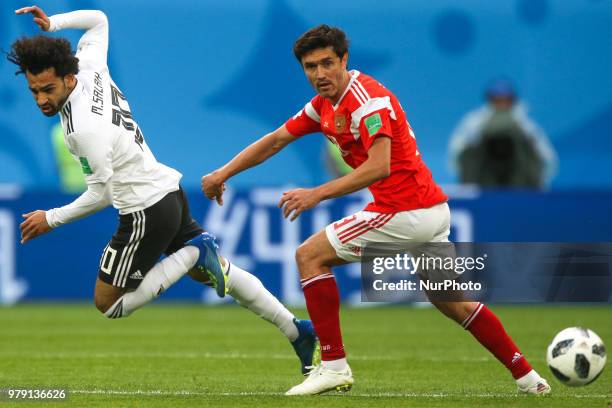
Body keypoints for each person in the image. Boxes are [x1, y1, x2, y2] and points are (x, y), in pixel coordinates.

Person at [202, 25, 551, 395]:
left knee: (309, 256)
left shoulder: (368, 100)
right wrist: (224, 173)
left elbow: (379, 166)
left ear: (344, 60)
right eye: (310, 67)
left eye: (327, 63)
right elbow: (275, 141)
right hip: (430, 212)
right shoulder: (323, 106)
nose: (319, 74)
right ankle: (530, 378)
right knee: (455, 303)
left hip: (404, 210)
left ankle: (334, 365)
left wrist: (317, 193)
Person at [9, 6, 318, 376]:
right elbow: (99, 20)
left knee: (109, 303)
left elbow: (101, 194)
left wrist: (51, 218)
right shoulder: (88, 65)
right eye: (34, 91)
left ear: (69, 79)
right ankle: (297, 330)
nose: (41, 98)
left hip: (144, 212)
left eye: (48, 89)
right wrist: (53, 24)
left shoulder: (81, 130)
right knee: (219, 274)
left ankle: (193, 254)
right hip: (166, 193)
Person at [449, 78, 557, 188]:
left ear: (513, 100)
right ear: (489, 99)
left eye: (506, 100)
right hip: (483, 184)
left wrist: (540, 186)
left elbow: (546, 158)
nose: (502, 104)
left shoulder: (526, 126)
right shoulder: (474, 123)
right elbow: (457, 154)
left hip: (519, 187)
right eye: (497, 100)